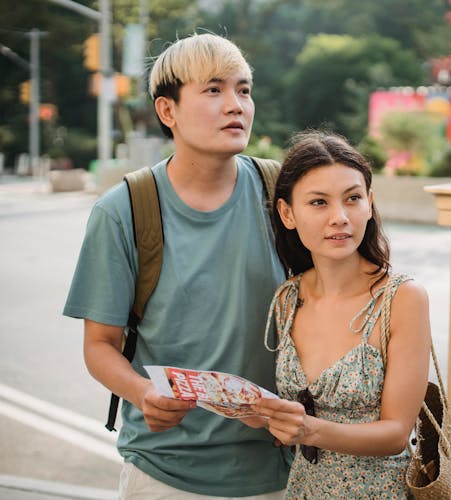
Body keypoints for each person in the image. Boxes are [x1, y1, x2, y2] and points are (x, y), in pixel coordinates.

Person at [63, 33, 289, 499]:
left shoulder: (281, 192)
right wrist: (142, 392)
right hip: (164, 474)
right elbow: (100, 345)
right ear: (168, 111)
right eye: (213, 90)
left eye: (243, 90)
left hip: (280, 468)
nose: (236, 105)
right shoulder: (124, 209)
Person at [241, 131, 431, 498]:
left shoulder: (402, 299)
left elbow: (395, 434)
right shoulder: (287, 299)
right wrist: (269, 417)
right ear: (287, 213)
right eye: (318, 203)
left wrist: (307, 430)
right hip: (303, 490)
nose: (340, 217)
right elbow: (300, 415)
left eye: (353, 199)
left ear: (370, 203)